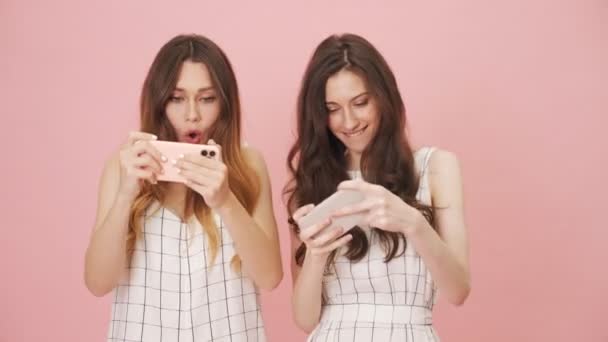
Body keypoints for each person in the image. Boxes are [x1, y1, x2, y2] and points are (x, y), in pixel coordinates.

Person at [84, 34, 282, 341]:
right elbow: (98, 282)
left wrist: (225, 201)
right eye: (177, 98)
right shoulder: (123, 165)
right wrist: (126, 195)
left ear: (225, 103)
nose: (192, 114)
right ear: (159, 101)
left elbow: (269, 277)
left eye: (207, 98)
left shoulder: (248, 163)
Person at [286, 33, 470, 341]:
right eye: (332, 108)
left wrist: (413, 223)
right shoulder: (310, 185)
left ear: (383, 96)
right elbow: (306, 321)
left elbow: (459, 289)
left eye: (360, 103)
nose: (349, 121)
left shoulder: (435, 166)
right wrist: (316, 255)